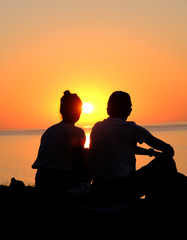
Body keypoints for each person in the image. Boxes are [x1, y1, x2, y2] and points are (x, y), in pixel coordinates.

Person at [88, 91, 178, 202]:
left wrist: (151, 153)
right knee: (166, 161)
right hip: (122, 188)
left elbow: (120, 148)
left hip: (99, 187)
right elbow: (168, 149)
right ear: (126, 109)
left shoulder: (97, 128)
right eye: (130, 106)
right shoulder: (131, 128)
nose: (131, 109)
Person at [32, 90, 86, 193]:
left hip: (41, 181)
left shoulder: (49, 131)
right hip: (62, 181)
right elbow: (79, 162)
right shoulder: (77, 132)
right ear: (77, 111)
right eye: (80, 109)